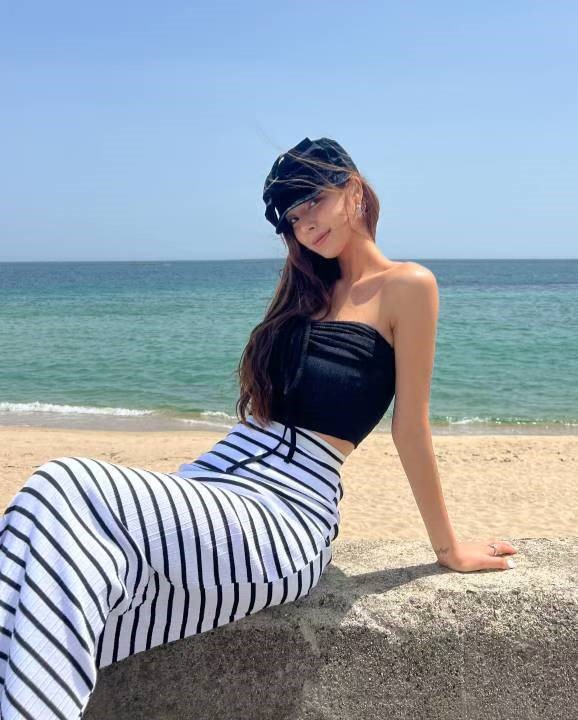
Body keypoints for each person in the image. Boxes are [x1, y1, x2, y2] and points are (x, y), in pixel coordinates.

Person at [0, 136, 518, 718]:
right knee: (32, 562)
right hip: (211, 488)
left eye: (312, 201)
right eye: (292, 217)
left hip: (287, 515)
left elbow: (411, 427)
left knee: (62, 484)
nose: (305, 224)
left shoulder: (408, 285)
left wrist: (448, 548)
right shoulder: (304, 292)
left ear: (353, 188)